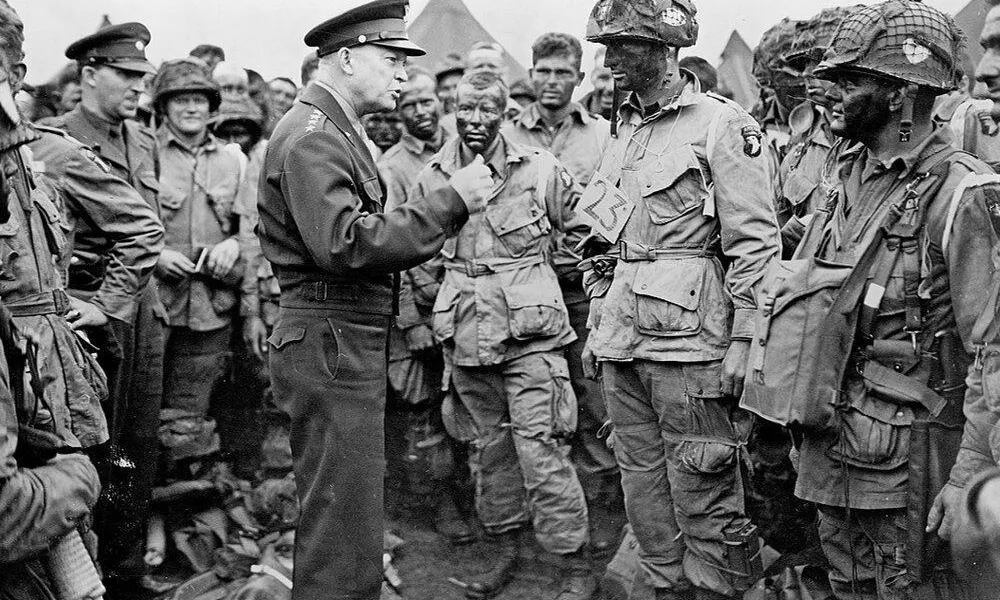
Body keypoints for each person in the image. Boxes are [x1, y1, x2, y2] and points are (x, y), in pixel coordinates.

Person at [256, 0, 493, 597]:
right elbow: (345, 243)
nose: (403, 74)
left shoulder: (329, 130)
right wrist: (450, 201)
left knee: (351, 512)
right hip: (331, 339)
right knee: (341, 519)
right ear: (346, 59)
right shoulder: (314, 139)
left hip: (339, 338)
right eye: (391, 60)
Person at [761, 2, 997, 598]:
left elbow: (993, 354)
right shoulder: (846, 176)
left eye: (851, 79)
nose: (831, 91)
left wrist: (968, 475)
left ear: (900, 95)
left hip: (908, 471)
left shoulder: (962, 195)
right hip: (832, 451)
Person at [582, 1, 780, 599]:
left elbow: (755, 244)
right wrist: (598, 323)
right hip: (623, 341)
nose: (609, 60)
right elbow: (609, 240)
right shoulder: (623, 126)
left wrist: (745, 340)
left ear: (665, 48)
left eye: (623, 46)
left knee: (704, 493)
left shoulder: (723, 125)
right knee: (642, 494)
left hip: (691, 346)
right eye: (606, 46)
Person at [416, 70, 592, 600]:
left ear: (506, 113)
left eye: (487, 110)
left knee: (542, 449)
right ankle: (505, 550)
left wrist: (552, 275)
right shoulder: (433, 178)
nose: (475, 121)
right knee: (488, 451)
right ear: (451, 110)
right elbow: (416, 254)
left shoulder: (538, 168)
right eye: (465, 109)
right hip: (467, 333)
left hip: (532, 335)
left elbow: (590, 228)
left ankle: (573, 563)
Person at [48, 21, 168, 596]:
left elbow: (149, 229)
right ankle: (90, 576)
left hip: (140, 310)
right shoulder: (54, 141)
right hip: (88, 309)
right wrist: (103, 303)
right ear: (90, 74)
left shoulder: (144, 139)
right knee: (95, 445)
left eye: (142, 76)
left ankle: (126, 569)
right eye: (125, 74)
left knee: (137, 446)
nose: (138, 87)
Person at [503, 30, 620, 553]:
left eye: (562, 73)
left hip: (580, 292)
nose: (551, 82)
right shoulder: (506, 135)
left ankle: (600, 518)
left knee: (594, 402)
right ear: (530, 74)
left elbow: (613, 212)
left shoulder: (602, 137)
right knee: (537, 412)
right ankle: (540, 527)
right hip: (524, 299)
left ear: (579, 77)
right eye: (543, 71)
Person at [376, 66, 472, 544]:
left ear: (440, 101)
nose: (420, 111)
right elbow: (391, 249)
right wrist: (410, 321)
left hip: (469, 298)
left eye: (426, 100)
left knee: (468, 402)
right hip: (422, 303)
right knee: (424, 410)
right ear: (398, 112)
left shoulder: (463, 146)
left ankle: (476, 498)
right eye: (409, 103)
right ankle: (440, 504)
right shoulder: (391, 167)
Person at [151, 58, 248, 473]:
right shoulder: (145, 154)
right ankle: (148, 500)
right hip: (155, 305)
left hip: (211, 307)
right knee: (143, 409)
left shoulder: (233, 161)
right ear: (163, 107)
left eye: (199, 100)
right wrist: (155, 254)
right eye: (180, 100)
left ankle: (184, 497)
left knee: (192, 414)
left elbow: (253, 229)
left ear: (212, 107)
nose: (191, 108)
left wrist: (233, 245)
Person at [579, 47, 613, 120]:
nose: (611, 88)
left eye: (619, 79)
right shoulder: (571, 118)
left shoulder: (637, 121)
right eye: (604, 78)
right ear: (592, 77)